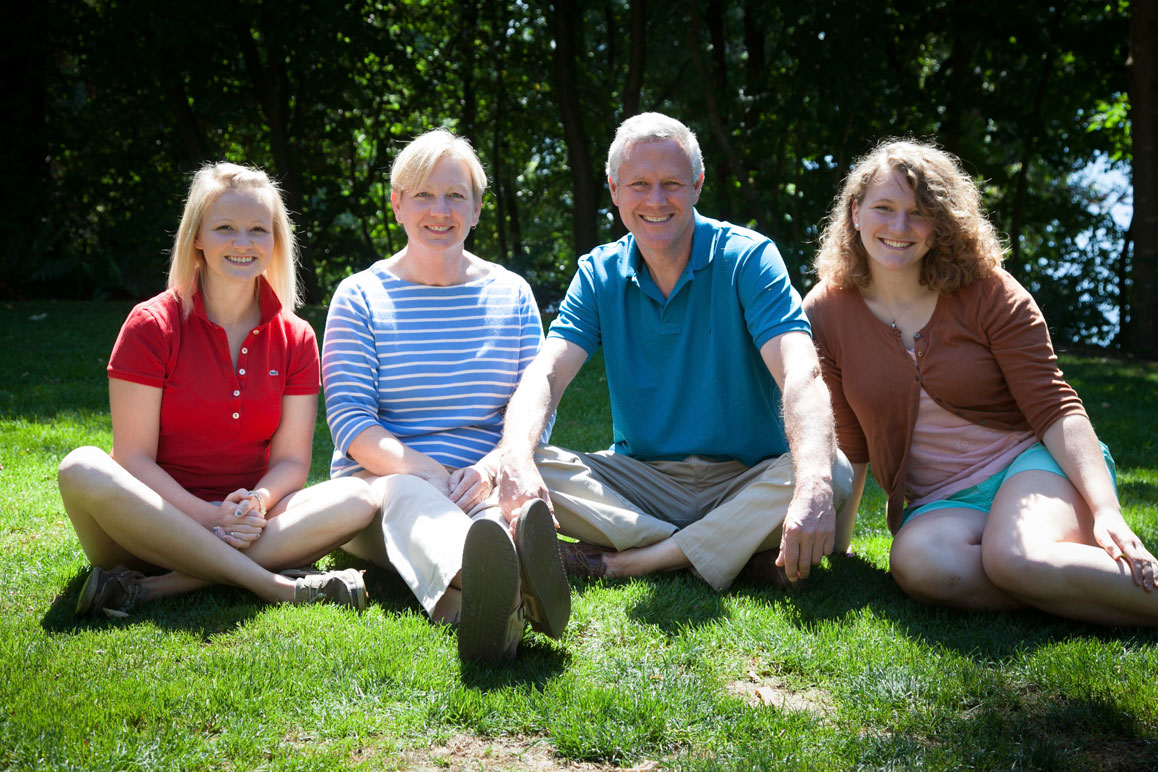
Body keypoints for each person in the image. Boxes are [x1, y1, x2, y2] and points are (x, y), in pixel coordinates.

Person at [804, 138, 1157, 626]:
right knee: (920, 567)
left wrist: (1106, 512)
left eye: (919, 212)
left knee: (1018, 556)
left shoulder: (989, 290)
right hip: (941, 501)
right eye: (884, 208)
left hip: (1031, 465)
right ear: (856, 212)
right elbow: (849, 438)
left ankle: (1039, 570)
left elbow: (1056, 406)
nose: (899, 227)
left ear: (942, 221)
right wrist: (838, 550)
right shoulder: (825, 310)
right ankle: (1060, 585)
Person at [495, 112, 855, 591]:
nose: (656, 200)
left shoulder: (748, 257)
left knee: (832, 470)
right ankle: (731, 548)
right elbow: (547, 375)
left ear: (698, 186)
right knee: (522, 462)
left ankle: (630, 562)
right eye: (639, 184)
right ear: (614, 189)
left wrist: (812, 484)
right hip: (643, 482)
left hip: (747, 476)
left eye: (672, 183)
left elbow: (800, 374)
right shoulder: (598, 272)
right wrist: (515, 458)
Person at [58, 162, 378, 618]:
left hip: (251, 526)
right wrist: (209, 517)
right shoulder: (151, 325)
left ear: (274, 242)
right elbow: (132, 459)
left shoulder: (298, 336)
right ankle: (275, 587)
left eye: (257, 230)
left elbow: (291, 462)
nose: (243, 243)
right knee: (79, 468)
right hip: (148, 525)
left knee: (359, 497)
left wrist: (257, 504)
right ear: (198, 239)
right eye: (225, 227)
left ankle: (152, 590)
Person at [322, 129, 570, 662]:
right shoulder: (359, 296)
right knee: (408, 497)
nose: (441, 210)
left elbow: (533, 409)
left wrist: (489, 470)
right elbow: (350, 422)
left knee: (511, 501)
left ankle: (485, 599)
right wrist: (428, 472)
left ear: (477, 209)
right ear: (397, 204)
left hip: (482, 481)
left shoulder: (512, 294)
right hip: (385, 488)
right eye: (423, 194)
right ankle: (506, 584)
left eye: (456, 195)